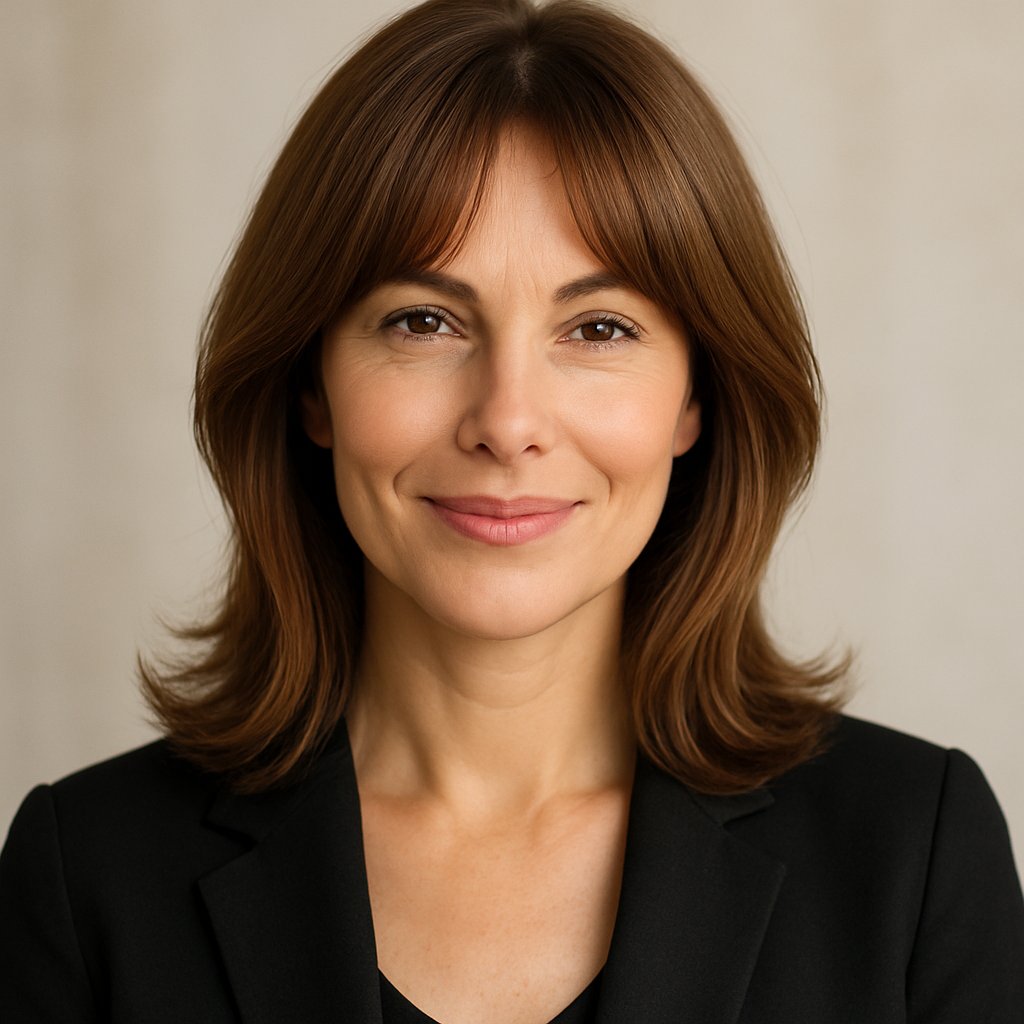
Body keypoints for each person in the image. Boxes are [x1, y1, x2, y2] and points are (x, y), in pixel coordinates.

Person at [1, 0, 1022, 1020]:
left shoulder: (911, 857)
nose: (508, 420)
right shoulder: (85, 871)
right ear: (309, 384)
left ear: (696, 398)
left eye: (599, 328)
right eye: (424, 320)